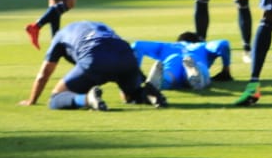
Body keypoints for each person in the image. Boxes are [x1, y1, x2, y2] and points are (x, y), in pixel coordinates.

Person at [19, 21, 168, 110]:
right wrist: (140, 78)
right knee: (130, 96)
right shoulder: (99, 25)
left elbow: (43, 75)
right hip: (125, 55)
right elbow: (120, 49)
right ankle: (147, 93)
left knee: (55, 99)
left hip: (95, 58)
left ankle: (87, 99)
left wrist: (32, 100)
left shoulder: (59, 36)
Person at [133, 31, 233, 92]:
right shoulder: (201, 46)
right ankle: (195, 76)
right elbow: (223, 44)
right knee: (197, 67)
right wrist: (226, 69)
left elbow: (137, 45)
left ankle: (160, 79)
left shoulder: (166, 46)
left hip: (172, 59)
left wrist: (137, 73)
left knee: (168, 74)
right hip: (195, 59)